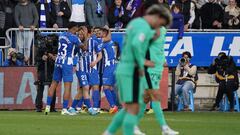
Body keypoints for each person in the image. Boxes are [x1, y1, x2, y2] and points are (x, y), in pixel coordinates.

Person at [103, 4, 172, 135]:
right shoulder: (144, 26)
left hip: (129, 68)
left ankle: (110, 132)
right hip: (130, 69)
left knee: (134, 105)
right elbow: (135, 45)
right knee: (134, 106)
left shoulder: (138, 24)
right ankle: (158, 128)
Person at [44, 22, 85, 115]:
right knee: (67, 86)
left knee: (53, 84)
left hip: (58, 61)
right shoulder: (74, 38)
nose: (76, 31)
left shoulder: (61, 35)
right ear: (73, 28)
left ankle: (47, 107)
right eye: (76, 29)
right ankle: (64, 109)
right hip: (67, 62)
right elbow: (84, 47)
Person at [68, 26, 102, 115]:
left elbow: (100, 55)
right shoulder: (77, 44)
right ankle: (90, 109)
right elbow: (73, 55)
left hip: (92, 69)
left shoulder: (93, 42)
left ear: (86, 33)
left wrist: (95, 62)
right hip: (81, 69)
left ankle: (73, 107)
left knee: (91, 88)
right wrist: (74, 65)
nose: (80, 35)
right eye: (78, 34)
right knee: (86, 87)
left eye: (82, 34)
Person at [34, 34, 58, 112]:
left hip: (51, 69)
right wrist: (42, 58)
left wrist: (54, 57)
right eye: (49, 39)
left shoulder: (55, 48)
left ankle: (52, 107)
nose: (50, 41)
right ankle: (38, 107)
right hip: (42, 69)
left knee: (53, 88)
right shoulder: (41, 48)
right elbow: (36, 59)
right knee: (40, 87)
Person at [101, 27, 119, 114]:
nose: (100, 34)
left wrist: (108, 31)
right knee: (111, 87)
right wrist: (108, 30)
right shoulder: (112, 42)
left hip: (109, 66)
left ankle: (113, 106)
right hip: (115, 65)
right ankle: (115, 106)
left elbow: (107, 38)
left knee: (106, 87)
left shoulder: (104, 41)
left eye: (102, 32)